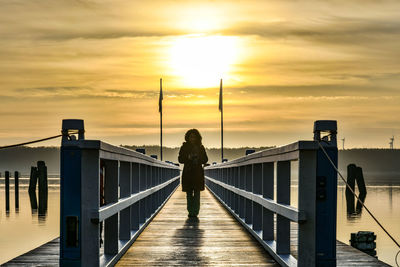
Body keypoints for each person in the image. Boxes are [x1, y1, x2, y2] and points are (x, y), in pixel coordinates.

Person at [178, 129, 208, 218]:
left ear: (197, 138)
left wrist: (198, 158)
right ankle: (190, 211)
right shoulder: (184, 147)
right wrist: (188, 157)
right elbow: (180, 160)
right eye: (191, 137)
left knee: (197, 193)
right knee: (189, 193)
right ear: (188, 137)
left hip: (197, 173)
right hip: (188, 172)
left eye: (194, 137)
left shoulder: (201, 147)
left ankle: (195, 211)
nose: (192, 138)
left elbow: (205, 160)